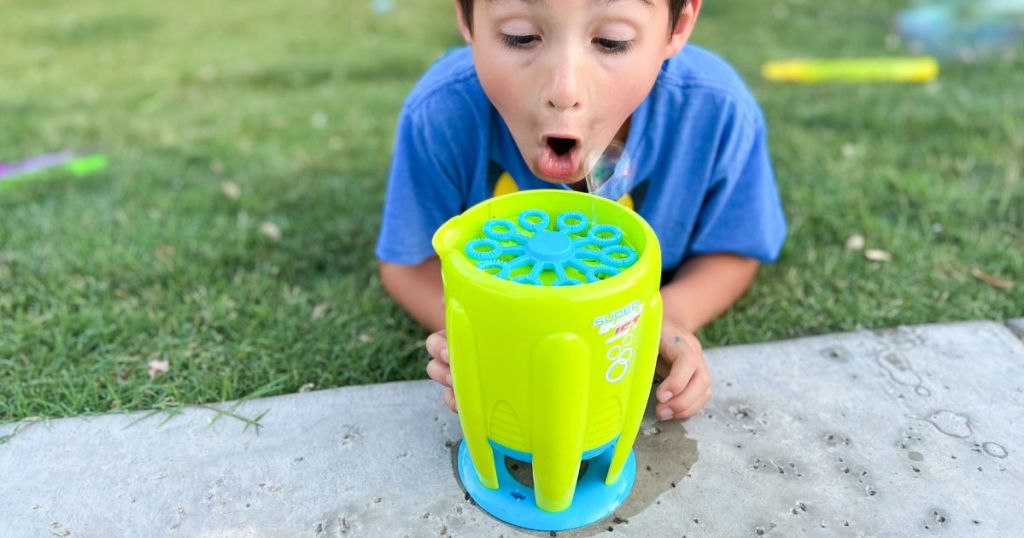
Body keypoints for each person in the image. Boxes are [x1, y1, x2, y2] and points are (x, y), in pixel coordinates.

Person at [375, 0, 786, 421]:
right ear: (466, 19)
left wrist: (662, 317)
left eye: (612, 42)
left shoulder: (717, 112)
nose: (564, 90)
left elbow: (733, 250)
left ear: (677, 25)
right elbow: (410, 263)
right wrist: (483, 334)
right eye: (520, 36)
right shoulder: (440, 112)